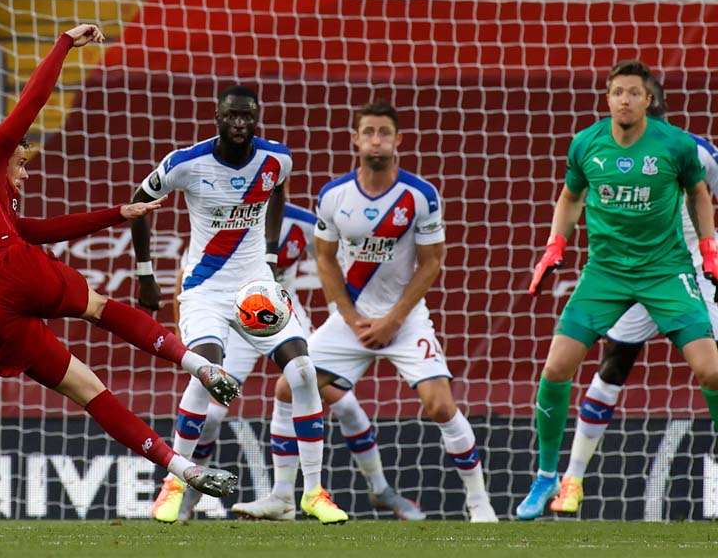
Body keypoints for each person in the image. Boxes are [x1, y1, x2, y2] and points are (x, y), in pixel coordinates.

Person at [0, 24, 239, 501]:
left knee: (86, 388)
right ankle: (199, 365)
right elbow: (29, 105)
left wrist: (118, 214)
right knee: (96, 307)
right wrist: (64, 45)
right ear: (2, 153)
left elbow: (39, 230)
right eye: (23, 164)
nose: (25, 175)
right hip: (4, 271)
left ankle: (180, 468)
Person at [248, 100, 497, 523]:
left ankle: (479, 504)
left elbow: (432, 262)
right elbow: (325, 260)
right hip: (353, 320)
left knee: (439, 406)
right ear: (356, 140)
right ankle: (282, 497)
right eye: (369, 132)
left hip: (404, 318)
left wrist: (393, 320)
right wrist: (350, 318)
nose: (376, 140)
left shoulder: (420, 195)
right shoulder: (334, 195)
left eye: (384, 132)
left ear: (398, 140)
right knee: (288, 389)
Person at [131, 86, 348, 524]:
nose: (239, 124)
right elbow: (139, 201)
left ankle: (313, 491)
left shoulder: (275, 159)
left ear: (257, 118)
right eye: (231, 116)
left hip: (256, 289)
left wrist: (268, 254)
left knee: (303, 371)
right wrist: (145, 274)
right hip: (204, 290)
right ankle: (174, 482)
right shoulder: (185, 163)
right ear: (217, 116)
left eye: (247, 116)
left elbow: (277, 191)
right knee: (209, 374)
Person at [518, 59, 718, 520]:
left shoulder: (687, 148)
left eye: (637, 94)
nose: (626, 101)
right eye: (618, 93)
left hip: (673, 269)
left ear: (652, 101)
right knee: (576, 366)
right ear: (608, 98)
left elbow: (701, 194)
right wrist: (554, 245)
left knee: (710, 370)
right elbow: (570, 196)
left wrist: (708, 250)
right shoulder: (588, 144)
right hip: (608, 272)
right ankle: (560, 477)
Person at [167, 201, 424, 521]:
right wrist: (183, 332)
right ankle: (188, 499)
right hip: (234, 321)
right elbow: (185, 275)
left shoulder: (302, 223)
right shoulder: (224, 218)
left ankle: (380, 489)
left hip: (283, 321)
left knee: (342, 404)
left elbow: (331, 267)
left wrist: (340, 323)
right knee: (212, 416)